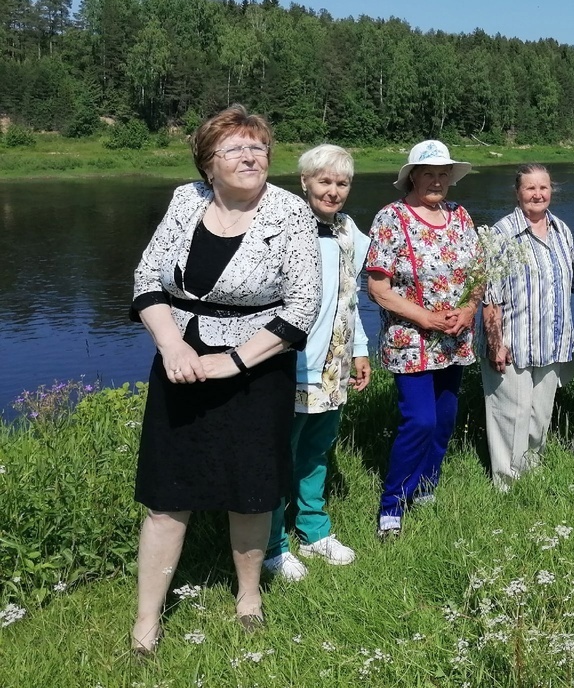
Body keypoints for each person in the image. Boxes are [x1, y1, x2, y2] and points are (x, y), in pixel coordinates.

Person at [129, 105, 321, 654]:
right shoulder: (185, 200)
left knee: (252, 492)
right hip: (179, 365)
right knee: (168, 496)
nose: (250, 156)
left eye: (258, 148)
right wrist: (171, 344)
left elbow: (303, 306)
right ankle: (146, 622)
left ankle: (249, 599)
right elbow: (147, 278)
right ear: (208, 163)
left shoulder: (289, 211)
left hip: (256, 373)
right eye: (235, 148)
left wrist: (233, 360)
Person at [264, 144, 371, 581]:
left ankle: (313, 529)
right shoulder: (285, 226)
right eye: (324, 181)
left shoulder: (347, 230)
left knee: (316, 448)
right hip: (287, 361)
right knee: (275, 454)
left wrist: (360, 347)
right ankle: (272, 545)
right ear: (304, 181)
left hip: (333, 362)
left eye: (341, 183)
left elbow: (350, 298)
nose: (333, 191)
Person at [364, 139, 478, 539]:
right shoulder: (391, 218)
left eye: (443, 174)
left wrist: (468, 309)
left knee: (444, 418)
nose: (436, 181)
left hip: (454, 338)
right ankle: (392, 504)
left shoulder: (460, 217)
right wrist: (427, 317)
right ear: (412, 176)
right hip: (410, 340)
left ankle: (427, 486)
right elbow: (378, 287)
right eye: (428, 173)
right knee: (420, 420)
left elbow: (477, 274)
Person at [480, 165, 574, 488]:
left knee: (539, 415)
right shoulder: (502, 234)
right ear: (517, 193)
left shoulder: (562, 231)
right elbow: (488, 296)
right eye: (530, 189)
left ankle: (531, 474)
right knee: (511, 416)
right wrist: (495, 343)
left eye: (544, 188)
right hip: (513, 342)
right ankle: (506, 484)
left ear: (552, 191)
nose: (537, 195)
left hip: (552, 342)